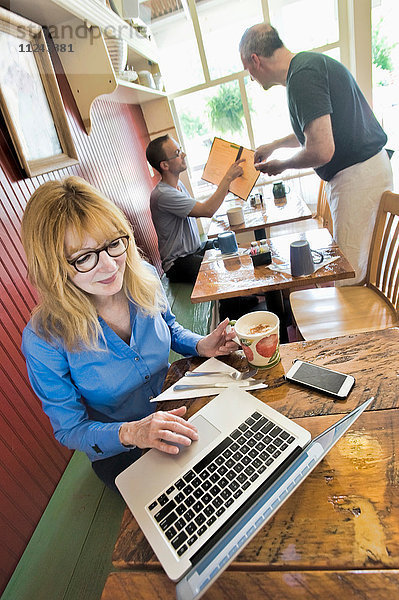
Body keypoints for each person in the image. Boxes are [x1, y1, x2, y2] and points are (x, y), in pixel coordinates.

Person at [20, 176, 238, 492]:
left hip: (175, 406)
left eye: (112, 243)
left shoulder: (143, 276)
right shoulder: (44, 340)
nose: (110, 266)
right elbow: (71, 430)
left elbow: (171, 329)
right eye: (84, 257)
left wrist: (201, 344)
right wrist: (132, 432)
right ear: (54, 268)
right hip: (120, 448)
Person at [239, 23, 393, 285]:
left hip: (357, 176)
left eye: (247, 71)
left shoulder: (302, 76)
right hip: (365, 170)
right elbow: (317, 130)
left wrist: (281, 165)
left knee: (349, 272)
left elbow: (322, 149)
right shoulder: (306, 67)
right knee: (357, 264)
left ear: (255, 60)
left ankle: (353, 325)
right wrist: (274, 145)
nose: (251, 79)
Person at [146, 134, 245, 283]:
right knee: (218, 270)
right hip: (178, 263)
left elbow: (198, 210)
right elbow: (207, 210)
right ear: (164, 165)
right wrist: (228, 178)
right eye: (178, 153)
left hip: (195, 250)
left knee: (229, 246)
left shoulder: (178, 187)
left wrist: (228, 186)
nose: (183, 154)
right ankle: (235, 303)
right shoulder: (163, 195)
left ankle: (245, 297)